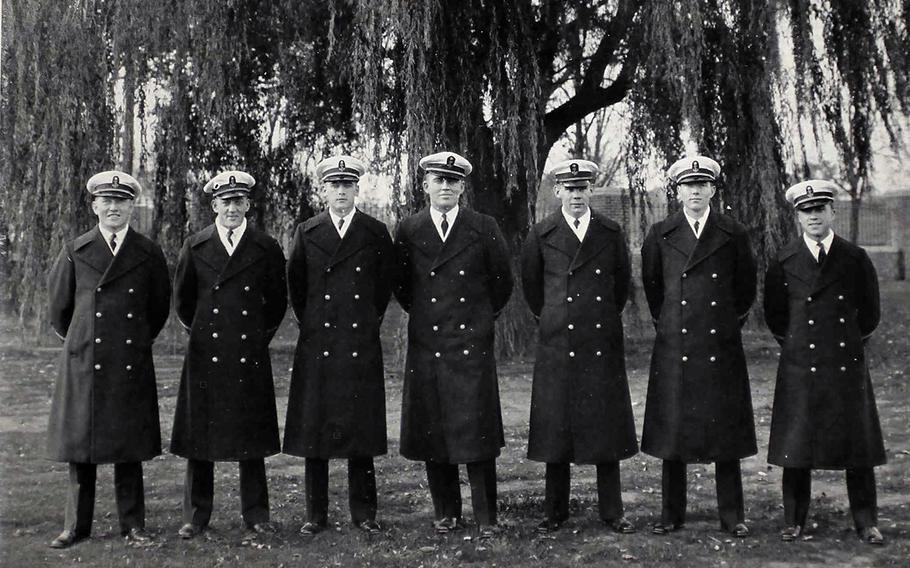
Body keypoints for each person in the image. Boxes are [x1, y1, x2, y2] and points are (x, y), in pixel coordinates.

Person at [46, 170, 171, 548]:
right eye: (107, 201)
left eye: (122, 201)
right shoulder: (76, 250)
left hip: (128, 360)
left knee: (128, 446)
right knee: (81, 449)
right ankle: (76, 526)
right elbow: (59, 311)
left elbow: (158, 308)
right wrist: (84, 342)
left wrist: (131, 342)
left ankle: (133, 525)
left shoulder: (148, 253)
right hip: (85, 361)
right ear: (95, 205)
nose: (114, 207)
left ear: (132, 206)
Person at [393, 151, 513, 538]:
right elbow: (402, 288)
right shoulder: (409, 229)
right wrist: (428, 321)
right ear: (425, 185)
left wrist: (479, 322)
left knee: (476, 433)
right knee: (434, 431)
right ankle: (446, 512)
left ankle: (486, 515)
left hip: (470, 344)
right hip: (429, 344)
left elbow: (502, 282)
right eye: (438, 180)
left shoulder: (483, 226)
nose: (445, 187)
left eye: (453, 181)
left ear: (463, 187)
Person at [640, 155, 757, 537]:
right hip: (676, 345)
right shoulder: (660, 233)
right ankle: (671, 514)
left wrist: (723, 323)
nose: (695, 191)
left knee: (725, 433)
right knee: (673, 431)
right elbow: (654, 288)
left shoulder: (733, 232)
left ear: (712, 189)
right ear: (677, 191)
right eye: (687, 185)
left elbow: (745, 290)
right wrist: (673, 323)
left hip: (719, 345)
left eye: (701, 185)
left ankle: (732, 515)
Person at [764, 180, 886, 545]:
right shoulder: (784, 260)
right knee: (796, 447)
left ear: (833, 212)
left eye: (820, 209)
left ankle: (866, 521)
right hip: (800, 365)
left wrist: (847, 344)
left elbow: (871, 313)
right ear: (797, 216)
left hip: (845, 364)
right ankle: (794, 519)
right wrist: (799, 346)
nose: (813, 216)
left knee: (857, 447)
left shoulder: (855, 258)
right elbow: (775, 315)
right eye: (806, 210)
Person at [520, 159, 638, 534]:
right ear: (557, 192)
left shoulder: (610, 231)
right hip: (558, 342)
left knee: (606, 428)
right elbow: (533, 289)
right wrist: (555, 319)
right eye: (568, 188)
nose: (575, 195)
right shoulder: (542, 233)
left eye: (582, 187)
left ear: (591, 191)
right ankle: (554, 511)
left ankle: (612, 511)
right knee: (557, 430)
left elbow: (621, 288)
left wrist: (599, 318)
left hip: (599, 341)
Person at [171, 170, 287, 540]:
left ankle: (256, 514)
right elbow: (183, 302)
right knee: (199, 440)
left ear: (248, 205)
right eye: (226, 201)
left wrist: (255, 337)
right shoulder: (196, 245)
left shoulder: (266, 247)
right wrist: (205, 333)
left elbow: (277, 303)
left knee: (250, 437)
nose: (232, 208)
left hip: (247, 353)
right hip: (207, 353)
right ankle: (196, 516)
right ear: (214, 206)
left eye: (239, 201)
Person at [283, 156, 395, 536]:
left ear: (356, 189)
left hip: (358, 343)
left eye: (348, 185)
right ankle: (316, 514)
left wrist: (365, 322)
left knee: (360, 431)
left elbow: (383, 289)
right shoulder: (308, 231)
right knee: (315, 431)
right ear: (324, 190)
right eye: (335, 185)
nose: (342, 192)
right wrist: (313, 323)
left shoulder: (375, 232)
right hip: (319, 343)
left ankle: (364, 512)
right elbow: (296, 285)